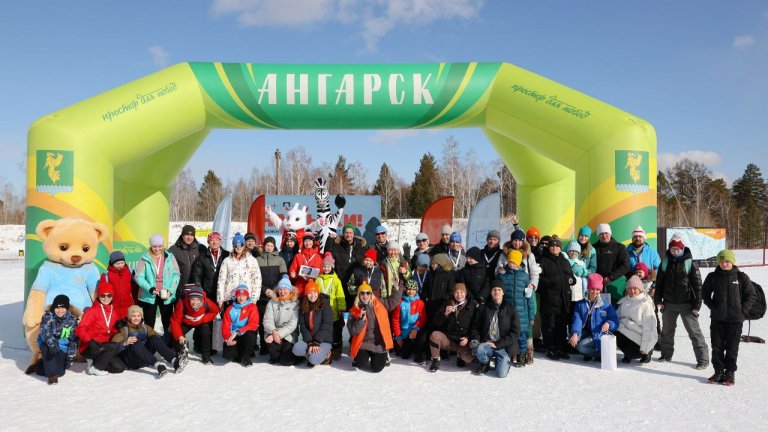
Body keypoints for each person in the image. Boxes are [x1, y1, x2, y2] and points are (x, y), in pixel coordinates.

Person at [702, 250, 758, 385]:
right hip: (717, 319)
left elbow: (751, 295)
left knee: (732, 348)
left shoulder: (741, 277)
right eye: (721, 261)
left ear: (732, 261)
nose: (724, 264)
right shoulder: (712, 276)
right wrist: (714, 307)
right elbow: (705, 294)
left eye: (727, 261)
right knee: (717, 347)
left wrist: (742, 311)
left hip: (735, 320)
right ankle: (718, 372)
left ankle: (730, 373)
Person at [654, 235, 709, 369]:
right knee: (667, 331)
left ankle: (703, 360)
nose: (675, 251)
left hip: (687, 304)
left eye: (678, 249)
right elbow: (659, 283)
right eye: (673, 249)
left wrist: (697, 305)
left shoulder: (689, 263)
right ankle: (666, 355)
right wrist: (658, 299)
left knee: (694, 333)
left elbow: (698, 286)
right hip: (669, 303)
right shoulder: (665, 262)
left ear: (682, 248)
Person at [112, 305, 186, 377]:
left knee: (154, 338)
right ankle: (157, 365)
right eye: (133, 316)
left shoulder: (145, 327)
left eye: (139, 315)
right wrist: (125, 343)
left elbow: (159, 341)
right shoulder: (125, 330)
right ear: (129, 317)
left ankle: (174, 361)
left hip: (145, 359)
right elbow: (112, 347)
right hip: (133, 361)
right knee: (135, 341)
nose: (136, 318)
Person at [347, 281, 402, 373]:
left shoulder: (380, 303)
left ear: (371, 294)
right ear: (359, 295)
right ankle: (364, 356)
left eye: (368, 293)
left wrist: (396, 287)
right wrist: (360, 320)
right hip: (363, 343)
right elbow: (353, 332)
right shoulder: (355, 309)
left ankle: (382, 355)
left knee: (377, 368)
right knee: (361, 364)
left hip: (379, 343)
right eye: (362, 293)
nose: (365, 295)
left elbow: (393, 301)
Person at [134, 234, 180, 338]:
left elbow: (176, 274)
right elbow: (138, 276)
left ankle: (168, 344)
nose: (157, 249)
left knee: (167, 321)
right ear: (150, 246)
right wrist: (150, 288)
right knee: (149, 323)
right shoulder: (144, 258)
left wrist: (170, 290)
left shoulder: (170, 257)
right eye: (154, 246)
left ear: (163, 245)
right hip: (149, 296)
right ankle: (149, 346)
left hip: (166, 295)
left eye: (159, 246)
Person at [470, 283, 521, 377]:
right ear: (491, 292)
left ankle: (503, 361)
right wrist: (476, 339)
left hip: (503, 346)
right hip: (487, 343)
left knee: (501, 374)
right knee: (480, 350)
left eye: (499, 290)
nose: (496, 292)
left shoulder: (510, 308)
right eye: (494, 290)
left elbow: (515, 332)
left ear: (503, 293)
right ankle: (485, 363)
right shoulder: (483, 308)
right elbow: (475, 327)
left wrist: (498, 344)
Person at [537, 238, 576, 360]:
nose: (555, 248)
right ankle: (551, 348)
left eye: (557, 246)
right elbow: (538, 280)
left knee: (561, 325)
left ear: (560, 248)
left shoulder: (564, 260)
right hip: (549, 299)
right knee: (549, 325)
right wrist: (552, 281)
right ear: (548, 248)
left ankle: (560, 348)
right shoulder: (542, 260)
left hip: (563, 299)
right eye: (552, 246)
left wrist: (571, 280)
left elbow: (571, 277)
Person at [76, 283, 126, 376]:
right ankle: (96, 368)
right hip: (90, 346)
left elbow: (109, 332)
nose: (106, 298)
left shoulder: (113, 312)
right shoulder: (92, 311)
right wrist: (90, 341)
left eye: (109, 295)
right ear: (98, 296)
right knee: (113, 346)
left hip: (104, 348)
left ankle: (94, 362)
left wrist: (117, 327)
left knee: (119, 368)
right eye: (103, 295)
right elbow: (79, 329)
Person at [569, 274, 619, 361]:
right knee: (573, 339)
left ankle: (600, 354)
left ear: (600, 290)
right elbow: (577, 319)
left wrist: (609, 323)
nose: (594, 292)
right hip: (585, 331)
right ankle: (592, 352)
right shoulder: (580, 304)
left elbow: (614, 320)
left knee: (581, 347)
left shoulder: (606, 305)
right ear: (588, 288)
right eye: (592, 289)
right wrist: (575, 333)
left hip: (598, 334)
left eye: (597, 289)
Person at [497, 252, 536, 366]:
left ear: (519, 263)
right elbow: (498, 285)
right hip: (508, 312)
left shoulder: (524, 276)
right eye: (510, 262)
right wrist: (499, 272)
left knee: (521, 336)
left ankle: (522, 356)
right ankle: (509, 355)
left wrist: (531, 316)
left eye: (514, 262)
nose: (512, 265)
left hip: (521, 313)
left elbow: (529, 299)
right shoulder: (504, 275)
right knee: (508, 334)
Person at [31, 294, 79, 385]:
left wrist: (70, 358)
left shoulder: (72, 320)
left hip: (62, 346)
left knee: (60, 372)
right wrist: (52, 343)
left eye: (63, 308)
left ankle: (40, 366)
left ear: (67, 308)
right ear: (54, 308)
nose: (60, 310)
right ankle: (52, 376)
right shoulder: (48, 316)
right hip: (47, 343)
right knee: (48, 349)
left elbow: (74, 340)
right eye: (57, 308)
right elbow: (46, 332)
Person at [428, 283, 477, 372]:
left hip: (463, 341)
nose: (459, 295)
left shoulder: (471, 306)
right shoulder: (448, 304)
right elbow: (435, 322)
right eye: (456, 292)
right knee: (435, 335)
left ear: (465, 293)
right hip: (449, 340)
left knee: (468, 358)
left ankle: (460, 355)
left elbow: (475, 326)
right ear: (453, 294)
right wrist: (445, 313)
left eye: (461, 292)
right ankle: (435, 360)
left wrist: (468, 338)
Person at [170, 285, 219, 364]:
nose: (195, 302)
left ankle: (206, 355)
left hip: (201, 322)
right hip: (187, 322)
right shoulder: (182, 305)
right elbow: (175, 321)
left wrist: (203, 319)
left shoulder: (207, 302)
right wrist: (179, 336)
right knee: (176, 333)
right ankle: (180, 352)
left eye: (198, 300)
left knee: (205, 331)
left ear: (201, 299)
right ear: (189, 299)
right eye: (192, 299)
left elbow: (215, 311)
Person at [255, 236, 287, 354]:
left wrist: (274, 290)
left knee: (275, 321)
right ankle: (264, 346)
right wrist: (265, 290)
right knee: (264, 322)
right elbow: (255, 278)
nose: (269, 247)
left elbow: (283, 276)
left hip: (275, 295)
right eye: (267, 245)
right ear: (264, 246)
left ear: (274, 247)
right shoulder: (257, 259)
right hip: (262, 296)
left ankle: (276, 344)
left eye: (271, 245)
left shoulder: (280, 259)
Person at [615, 276, 657, 364]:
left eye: (635, 288)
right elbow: (617, 318)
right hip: (627, 333)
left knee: (634, 353)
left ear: (640, 289)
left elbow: (649, 328)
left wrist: (645, 348)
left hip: (641, 336)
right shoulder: (624, 302)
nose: (632, 291)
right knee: (615, 334)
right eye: (629, 288)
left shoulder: (645, 304)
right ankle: (627, 353)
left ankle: (647, 352)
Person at [293, 280, 334, 367]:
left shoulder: (325, 305)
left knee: (313, 360)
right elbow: (303, 326)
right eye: (309, 293)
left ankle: (328, 354)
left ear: (318, 293)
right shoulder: (303, 305)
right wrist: (310, 342)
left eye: (315, 292)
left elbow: (327, 326)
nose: (312, 296)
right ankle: (310, 354)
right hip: (310, 339)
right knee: (296, 349)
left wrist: (316, 341)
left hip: (323, 340)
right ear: (306, 294)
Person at [217, 232, 262, 311]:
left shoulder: (252, 260)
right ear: (233, 246)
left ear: (244, 245)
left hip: (246, 298)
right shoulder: (227, 260)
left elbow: (257, 280)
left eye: (241, 244)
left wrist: (254, 298)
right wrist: (220, 300)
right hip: (230, 297)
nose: (239, 247)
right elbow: (221, 281)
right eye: (236, 245)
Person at [330, 223, 366, 318]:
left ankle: (354, 330)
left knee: (355, 310)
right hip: (341, 282)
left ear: (353, 234)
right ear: (343, 233)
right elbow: (329, 258)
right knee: (342, 309)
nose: (348, 235)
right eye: (346, 232)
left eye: (350, 232)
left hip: (355, 284)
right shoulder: (337, 246)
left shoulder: (361, 247)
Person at [263, 276, 300, 365]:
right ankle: (276, 355)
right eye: (280, 289)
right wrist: (273, 332)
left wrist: (278, 334)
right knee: (275, 355)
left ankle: (298, 358)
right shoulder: (272, 302)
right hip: (273, 332)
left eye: (285, 289)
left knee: (286, 361)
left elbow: (292, 325)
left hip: (289, 334)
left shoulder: (295, 303)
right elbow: (267, 320)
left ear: (290, 290)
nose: (282, 292)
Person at [316, 253, 346, 360]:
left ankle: (337, 349)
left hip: (334, 311)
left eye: (328, 266)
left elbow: (340, 295)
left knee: (336, 332)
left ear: (332, 267)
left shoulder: (336, 280)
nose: (326, 268)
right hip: (321, 310)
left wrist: (341, 308)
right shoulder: (318, 279)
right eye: (324, 266)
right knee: (324, 330)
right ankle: (324, 349)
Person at [221, 286, 259, 367]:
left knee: (251, 334)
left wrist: (238, 331)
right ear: (236, 296)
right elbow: (225, 326)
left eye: (244, 296)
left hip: (246, 334)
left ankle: (246, 355)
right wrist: (228, 338)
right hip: (233, 336)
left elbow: (253, 324)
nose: (241, 298)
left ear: (247, 296)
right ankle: (238, 353)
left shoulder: (252, 306)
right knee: (228, 356)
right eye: (239, 295)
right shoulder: (230, 309)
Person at [393, 279, 428, 365]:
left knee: (422, 335)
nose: (411, 292)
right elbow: (395, 320)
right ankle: (408, 347)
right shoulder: (400, 303)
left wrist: (415, 328)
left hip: (415, 331)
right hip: (404, 333)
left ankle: (419, 355)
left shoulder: (420, 303)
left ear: (416, 290)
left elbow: (423, 318)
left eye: (413, 289)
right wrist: (398, 337)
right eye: (409, 289)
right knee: (404, 355)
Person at [169, 224, 206, 294]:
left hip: (197, 287)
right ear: (182, 235)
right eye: (186, 235)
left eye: (192, 235)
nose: (189, 237)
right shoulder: (173, 250)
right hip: (180, 288)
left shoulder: (201, 248)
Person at [593, 223, 630, 292]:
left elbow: (626, 266)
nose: (604, 236)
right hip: (596, 285)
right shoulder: (593, 248)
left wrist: (611, 277)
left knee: (615, 302)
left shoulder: (620, 247)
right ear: (598, 235)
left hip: (615, 284)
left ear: (610, 233)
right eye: (601, 234)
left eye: (606, 233)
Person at [97, 251, 135, 320]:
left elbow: (135, 289)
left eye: (122, 263)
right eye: (117, 264)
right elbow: (102, 291)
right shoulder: (106, 275)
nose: (121, 265)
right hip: (113, 308)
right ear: (112, 263)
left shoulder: (130, 272)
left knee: (127, 328)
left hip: (128, 307)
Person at [421, 253, 456, 321]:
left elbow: (450, 290)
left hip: (441, 305)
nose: (432, 265)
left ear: (440, 264)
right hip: (430, 304)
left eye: (434, 263)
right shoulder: (431, 274)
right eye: (432, 263)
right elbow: (425, 287)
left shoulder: (448, 275)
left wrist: (445, 300)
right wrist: (425, 297)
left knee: (438, 324)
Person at [288, 231, 322, 297]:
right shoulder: (298, 256)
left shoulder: (317, 257)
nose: (308, 243)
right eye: (306, 241)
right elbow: (292, 272)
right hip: (300, 286)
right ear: (303, 243)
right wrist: (294, 276)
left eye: (310, 241)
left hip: (313, 289)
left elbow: (320, 273)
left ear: (313, 242)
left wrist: (313, 278)